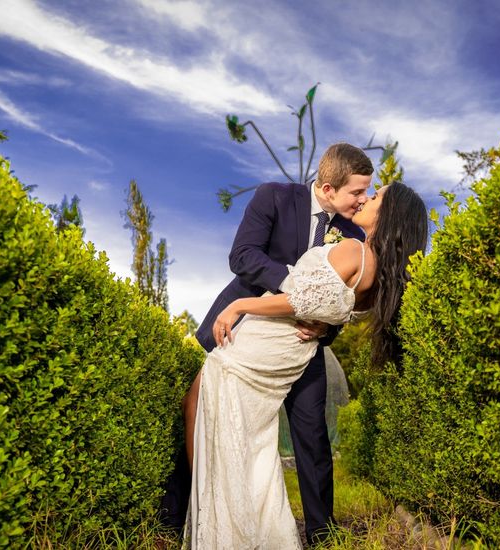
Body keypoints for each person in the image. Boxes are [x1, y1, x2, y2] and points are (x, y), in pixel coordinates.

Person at [183, 182, 429, 549]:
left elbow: (298, 300)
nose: (366, 197)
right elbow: (331, 308)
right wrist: (326, 322)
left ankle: (216, 524)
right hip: (287, 355)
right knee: (245, 438)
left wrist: (239, 307)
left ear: (390, 215)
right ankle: (240, 526)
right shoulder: (378, 276)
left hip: (260, 343)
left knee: (208, 412)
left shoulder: (355, 250)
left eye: (376, 196)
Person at [160, 143, 374, 544]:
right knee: (203, 413)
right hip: (242, 330)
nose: (363, 200)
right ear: (327, 188)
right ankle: (181, 518)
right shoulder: (274, 197)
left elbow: (345, 298)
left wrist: (325, 331)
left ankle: (321, 534)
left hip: (302, 345)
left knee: (312, 436)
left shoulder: (352, 234)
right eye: (357, 192)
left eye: (367, 192)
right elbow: (242, 257)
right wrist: (297, 288)